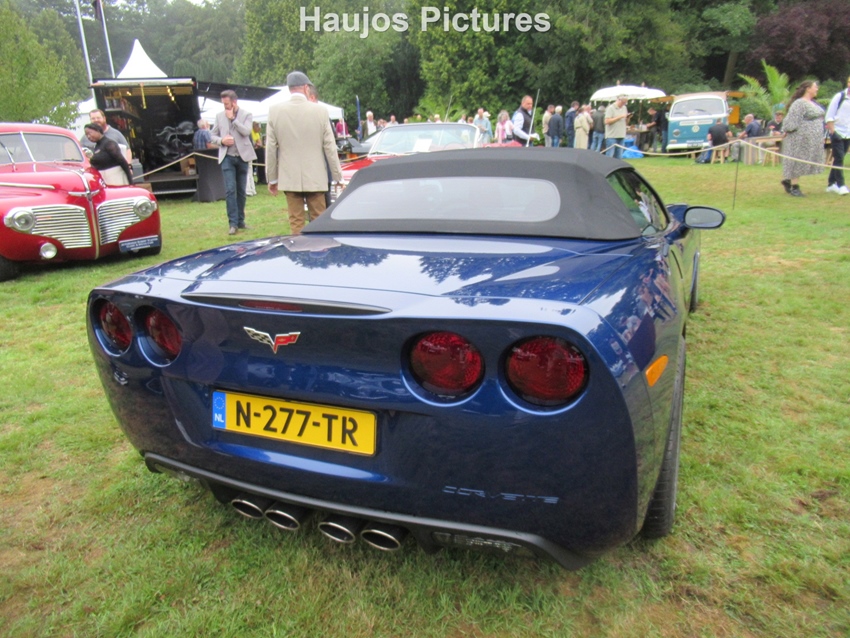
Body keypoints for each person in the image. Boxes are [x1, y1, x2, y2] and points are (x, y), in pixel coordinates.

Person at [266, 71, 343, 235]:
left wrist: (272, 178)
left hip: (290, 176)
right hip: (316, 176)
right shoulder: (320, 111)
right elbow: (330, 147)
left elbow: (271, 148)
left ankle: (298, 250)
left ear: (290, 89)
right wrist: (337, 176)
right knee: (319, 220)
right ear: (306, 88)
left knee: (296, 222)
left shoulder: (274, 111)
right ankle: (319, 250)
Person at [210, 89, 256, 235]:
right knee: (230, 190)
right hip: (227, 157)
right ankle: (233, 224)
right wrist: (221, 140)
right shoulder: (219, 116)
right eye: (223, 104)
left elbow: (246, 131)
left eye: (227, 104)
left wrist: (234, 120)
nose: (225, 107)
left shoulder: (246, 115)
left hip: (242, 157)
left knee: (241, 191)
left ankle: (241, 221)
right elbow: (212, 135)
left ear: (234, 102)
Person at [780, 80, 825, 197]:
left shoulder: (813, 103)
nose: (817, 89)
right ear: (808, 89)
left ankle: (788, 181)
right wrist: (786, 130)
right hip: (799, 139)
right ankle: (795, 188)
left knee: (804, 161)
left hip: (811, 140)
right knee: (797, 161)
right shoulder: (799, 103)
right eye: (815, 87)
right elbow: (792, 120)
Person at [825, 75, 850, 195]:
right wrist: (833, 132)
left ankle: (831, 183)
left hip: (848, 133)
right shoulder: (840, 96)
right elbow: (829, 115)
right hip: (837, 132)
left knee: (839, 158)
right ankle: (841, 185)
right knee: (839, 158)